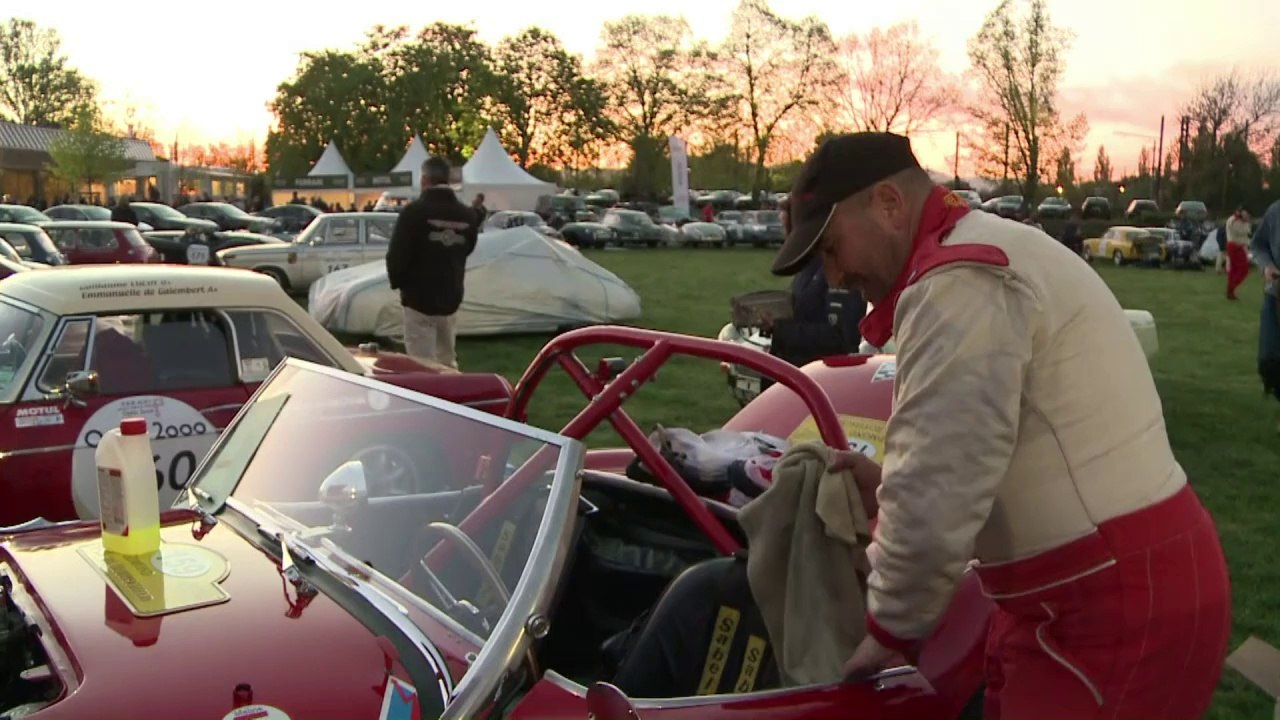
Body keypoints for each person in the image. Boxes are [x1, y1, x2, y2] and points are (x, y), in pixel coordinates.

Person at [770, 132, 1230, 719]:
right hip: (1101, 590)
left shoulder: (959, 282)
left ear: (888, 204)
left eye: (832, 248)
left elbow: (940, 484)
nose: (833, 277)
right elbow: (984, 450)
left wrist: (888, 630)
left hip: (1109, 603)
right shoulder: (979, 253)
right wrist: (888, 487)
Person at [386, 156, 478, 369]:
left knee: (421, 365)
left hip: (418, 298)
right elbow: (467, 248)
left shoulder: (413, 213)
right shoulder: (467, 215)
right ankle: (452, 389)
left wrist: (399, 283)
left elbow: (397, 254)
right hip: (450, 295)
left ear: (424, 179)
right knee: (447, 360)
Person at [759, 198, 866, 370]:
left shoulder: (837, 266)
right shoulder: (808, 266)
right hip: (797, 370)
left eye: (789, 229)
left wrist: (780, 329)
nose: (786, 237)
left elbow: (841, 338)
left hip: (822, 375)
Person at [1249, 199, 1280, 412]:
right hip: (1275, 293)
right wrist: (1267, 265)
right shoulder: (1276, 210)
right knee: (1268, 360)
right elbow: (1258, 244)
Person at [1225, 206, 1252, 300]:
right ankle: (1231, 287)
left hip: (1236, 245)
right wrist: (1246, 223)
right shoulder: (1235, 220)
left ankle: (1230, 292)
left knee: (1234, 270)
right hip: (1235, 246)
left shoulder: (1237, 220)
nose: (1248, 216)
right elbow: (1242, 231)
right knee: (1243, 269)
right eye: (1246, 213)